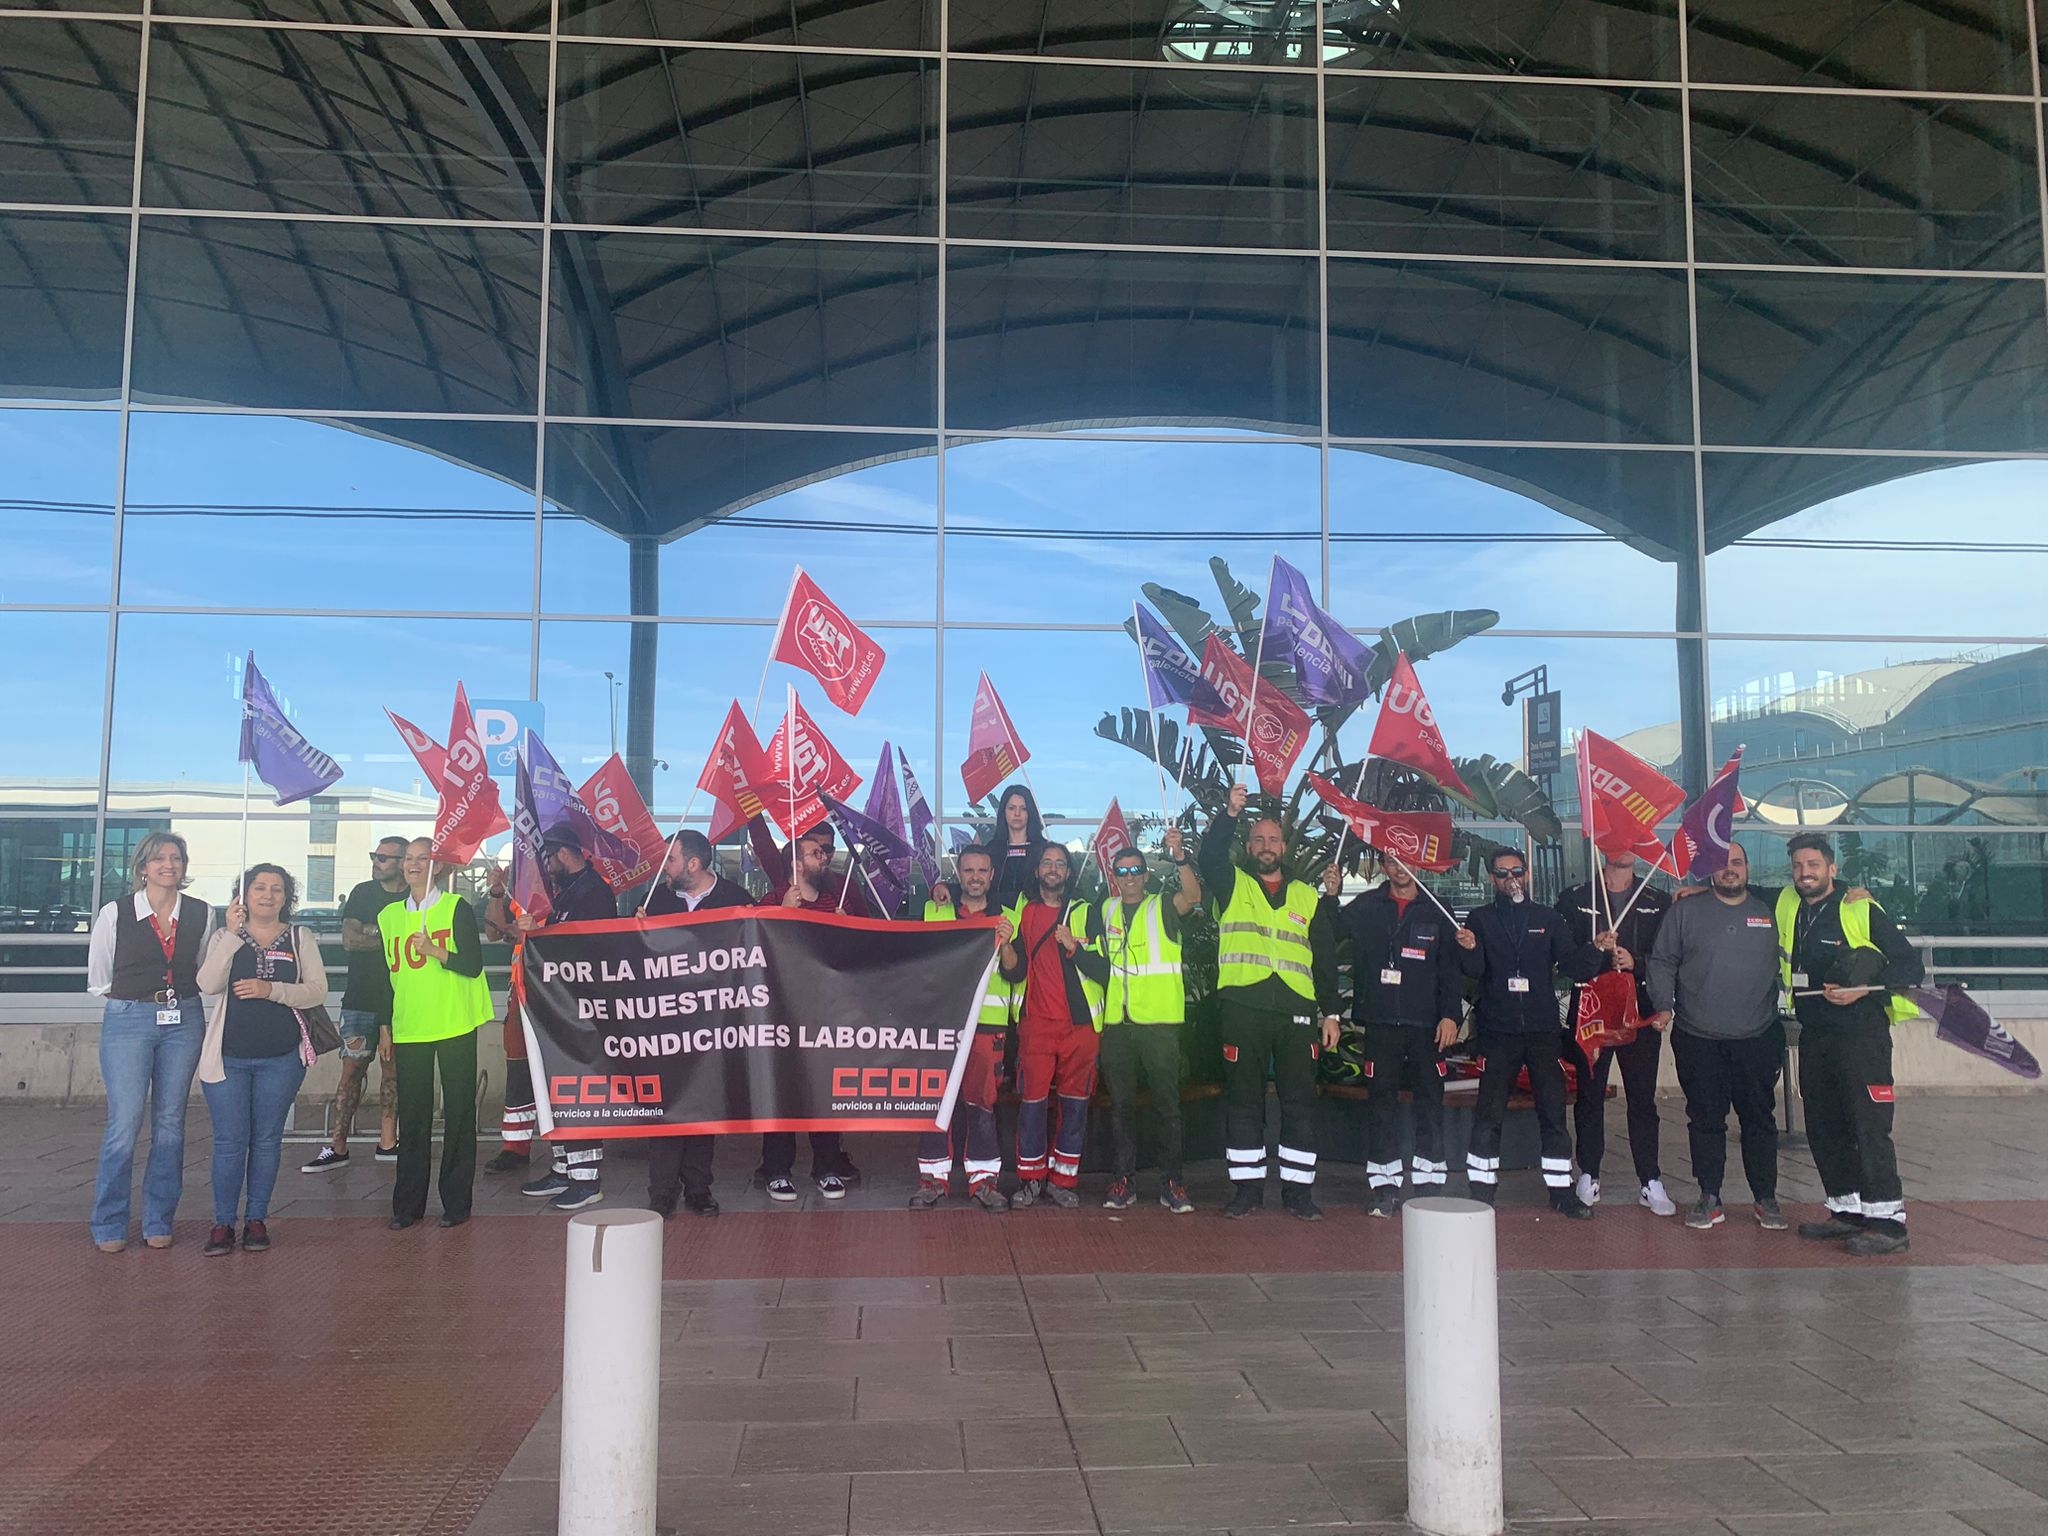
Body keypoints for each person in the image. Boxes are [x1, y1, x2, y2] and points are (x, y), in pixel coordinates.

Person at [1199, 783, 1341, 1222]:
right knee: (1244, 1102)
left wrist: (1331, 1012)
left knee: (1299, 1103)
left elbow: (1325, 957)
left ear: (1284, 846)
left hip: (1296, 1014)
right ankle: (1247, 1191)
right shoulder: (1232, 884)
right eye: (1258, 839)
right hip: (1244, 1010)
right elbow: (1207, 857)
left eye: (1273, 839)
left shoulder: (1306, 896)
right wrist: (1229, 812)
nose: (1266, 846)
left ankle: (1299, 1194)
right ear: (1249, 846)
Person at [1778, 832, 1923, 1257]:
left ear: (1832, 869)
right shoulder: (1788, 902)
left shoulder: (1859, 905)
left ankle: (1889, 1224)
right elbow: (1742, 890)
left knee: (1869, 1126)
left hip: (1862, 1035)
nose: (1805, 873)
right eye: (1798, 866)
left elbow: (1908, 964)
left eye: (1814, 865)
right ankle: (1846, 1211)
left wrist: (1863, 989)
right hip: (1816, 1035)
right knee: (1824, 1125)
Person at [1644, 843, 1788, 1231]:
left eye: (1737, 863)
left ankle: (1766, 1199)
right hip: (1698, 1037)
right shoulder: (1684, 911)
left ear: (1748, 869)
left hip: (1757, 1036)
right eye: (1722, 864)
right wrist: (1663, 1004)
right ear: (1710, 870)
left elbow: (1814, 886)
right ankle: (1709, 1196)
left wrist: (1853, 890)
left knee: (1759, 1119)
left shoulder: (1771, 909)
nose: (1730, 870)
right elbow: (1661, 961)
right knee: (1705, 1119)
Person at [1456, 845, 1603, 1217]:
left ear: (1528, 875)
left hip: (1541, 1031)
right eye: (1502, 873)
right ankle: (1481, 1190)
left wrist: (1597, 950)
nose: (1511, 879)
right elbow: (1472, 972)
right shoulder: (1480, 918)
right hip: (1497, 1031)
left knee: (1553, 1112)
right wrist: (1470, 949)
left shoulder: (1548, 918)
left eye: (1517, 871)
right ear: (1492, 879)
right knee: (1488, 1113)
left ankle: (1561, 1191)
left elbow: (1572, 964)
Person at [86, 831, 215, 1252]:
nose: (168, 865)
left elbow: (200, 970)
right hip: (129, 1017)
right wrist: (138, 1000)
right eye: (158, 858)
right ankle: (109, 1221)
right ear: (142, 867)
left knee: (171, 1124)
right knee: (124, 1124)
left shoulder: (201, 913)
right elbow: (100, 978)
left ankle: (159, 1218)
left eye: (176, 858)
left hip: (184, 1020)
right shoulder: (116, 912)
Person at [195, 865, 329, 1256]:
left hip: (281, 1058)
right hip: (228, 1059)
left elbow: (317, 991)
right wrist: (232, 935)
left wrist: (272, 989)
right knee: (229, 1143)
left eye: (277, 889)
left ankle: (256, 1219)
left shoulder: (300, 937)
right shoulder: (225, 936)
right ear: (244, 894)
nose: (267, 895)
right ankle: (222, 1223)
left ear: (287, 897)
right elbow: (207, 984)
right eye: (259, 888)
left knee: (268, 1141)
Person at [1322, 848, 1462, 1218]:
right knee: (1380, 1105)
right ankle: (1384, 1186)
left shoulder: (1437, 909)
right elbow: (1331, 929)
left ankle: (1430, 1183)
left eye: (1407, 861)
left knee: (1429, 1104)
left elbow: (1451, 969)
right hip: (1381, 1022)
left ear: (1418, 864)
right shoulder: (1367, 905)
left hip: (1428, 1027)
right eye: (1392, 862)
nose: (1401, 869)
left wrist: (1451, 1015)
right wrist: (1331, 895)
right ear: (1383, 867)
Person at [748, 815, 868, 1200]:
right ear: (796, 863)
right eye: (817, 853)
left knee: (823, 1092)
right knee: (781, 1091)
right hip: (781, 1015)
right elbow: (752, 952)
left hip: (826, 1015)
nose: (825, 858)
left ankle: (827, 1166)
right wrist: (780, 913)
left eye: (826, 852)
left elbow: (857, 957)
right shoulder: (772, 900)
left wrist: (847, 930)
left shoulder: (836, 902)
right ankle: (777, 1169)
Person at [1556, 848, 1677, 1216]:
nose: (1623, 849)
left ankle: (1650, 1180)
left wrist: (1636, 963)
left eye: (1632, 841)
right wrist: (1595, 949)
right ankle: (1588, 1174)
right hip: (1591, 1013)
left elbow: (1669, 957)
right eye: (1616, 839)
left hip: (1638, 1012)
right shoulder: (1576, 900)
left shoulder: (1657, 899)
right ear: (1603, 847)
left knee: (1642, 1099)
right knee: (1590, 1096)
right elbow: (1566, 963)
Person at [380, 838, 493, 1231]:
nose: (413, 865)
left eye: (422, 858)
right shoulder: (389, 916)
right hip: (410, 1025)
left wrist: (436, 951)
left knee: (459, 1114)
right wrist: (385, 1026)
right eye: (408, 859)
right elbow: (387, 977)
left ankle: (456, 1203)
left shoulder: (455, 907)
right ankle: (407, 1205)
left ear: (439, 866)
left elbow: (473, 965)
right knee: (413, 1117)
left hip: (454, 1022)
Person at [643, 830, 751, 1217]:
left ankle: (699, 1188)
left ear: (693, 863)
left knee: (705, 1106)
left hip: (715, 1024)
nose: (663, 868)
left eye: (670, 860)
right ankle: (662, 1191)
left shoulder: (737, 901)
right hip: (665, 1023)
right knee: (667, 1108)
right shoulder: (655, 899)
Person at [999, 841, 1107, 1208]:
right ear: (1036, 870)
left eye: (1060, 863)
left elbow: (1108, 970)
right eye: (1047, 862)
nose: (1053, 868)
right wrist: (1005, 947)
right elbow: (1012, 971)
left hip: (1081, 1027)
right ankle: (1030, 1180)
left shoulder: (1087, 913)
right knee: (1032, 1105)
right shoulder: (1024, 912)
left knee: (1075, 1107)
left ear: (1069, 873)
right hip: (1036, 1025)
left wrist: (1074, 948)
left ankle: (1063, 1180)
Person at [911, 845, 1019, 1212]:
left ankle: (985, 1182)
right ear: (959, 875)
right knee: (933, 1104)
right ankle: (932, 1181)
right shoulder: (934, 909)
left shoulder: (1007, 917)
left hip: (987, 1026)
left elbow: (1016, 972)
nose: (975, 877)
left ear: (991, 876)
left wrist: (1006, 943)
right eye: (968, 870)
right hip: (941, 1023)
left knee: (982, 1106)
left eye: (981, 871)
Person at [1098, 827, 1200, 1214]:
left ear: (1145, 874)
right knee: (1121, 1107)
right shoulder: (1105, 909)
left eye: (1135, 870)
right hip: (1118, 1026)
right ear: (1114, 876)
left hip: (1159, 1025)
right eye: (1121, 871)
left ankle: (1172, 1182)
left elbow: (1193, 896)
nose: (1128, 878)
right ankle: (1123, 1180)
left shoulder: (1162, 906)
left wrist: (1179, 857)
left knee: (1167, 1108)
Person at [518, 825, 620, 1212]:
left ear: (563, 854)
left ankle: (586, 1177)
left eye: (548, 857)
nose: (546, 865)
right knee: (557, 1090)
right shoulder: (571, 891)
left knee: (578, 1090)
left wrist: (543, 932)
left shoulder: (594, 892)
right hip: (560, 1008)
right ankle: (563, 1166)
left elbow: (583, 947)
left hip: (582, 1009)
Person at [302, 837, 405, 1173]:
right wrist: (391, 935)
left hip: (402, 999)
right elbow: (350, 939)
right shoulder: (363, 892)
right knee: (351, 1071)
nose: (378, 862)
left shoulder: (413, 897)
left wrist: (373, 932)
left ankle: (388, 1143)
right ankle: (337, 1146)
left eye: (386, 858)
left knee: (394, 1073)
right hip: (360, 999)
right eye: (376, 855)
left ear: (403, 862)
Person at [980, 783, 1050, 909]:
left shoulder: (1044, 849)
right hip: (997, 919)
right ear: (1003, 812)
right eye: (1011, 808)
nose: (1017, 814)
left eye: (1023, 809)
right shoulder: (991, 850)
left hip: (1034, 918)